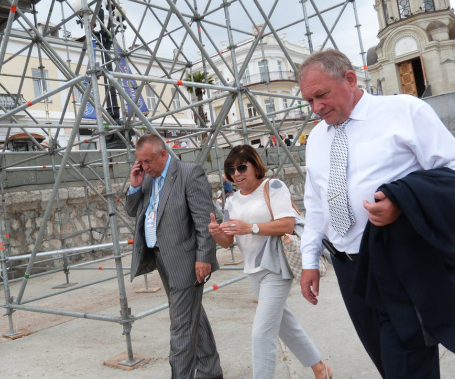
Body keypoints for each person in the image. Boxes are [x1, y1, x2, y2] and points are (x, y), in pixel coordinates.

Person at [298, 49, 455, 379]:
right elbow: (315, 204)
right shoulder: (316, 139)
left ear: (350, 79)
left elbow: (450, 171)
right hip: (349, 270)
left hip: (399, 263)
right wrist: (309, 260)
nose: (316, 108)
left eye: (322, 95)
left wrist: (402, 201)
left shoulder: (404, 111)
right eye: (309, 100)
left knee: (408, 364)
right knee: (386, 362)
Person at [208, 144, 333, 379]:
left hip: (275, 265)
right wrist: (216, 232)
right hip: (252, 270)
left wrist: (250, 227)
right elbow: (227, 242)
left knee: (261, 333)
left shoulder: (273, 187)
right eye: (231, 170)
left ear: (255, 166)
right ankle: (320, 368)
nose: (236, 174)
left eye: (242, 167)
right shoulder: (232, 201)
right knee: (285, 325)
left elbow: (286, 224)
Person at [125, 134, 223, 379]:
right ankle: (211, 371)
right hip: (161, 258)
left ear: (163, 154)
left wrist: (204, 257)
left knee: (180, 326)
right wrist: (135, 185)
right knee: (192, 316)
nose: (144, 166)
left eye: (148, 161)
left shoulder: (189, 173)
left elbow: (205, 220)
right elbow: (132, 210)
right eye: (140, 162)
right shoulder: (147, 178)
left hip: (186, 261)